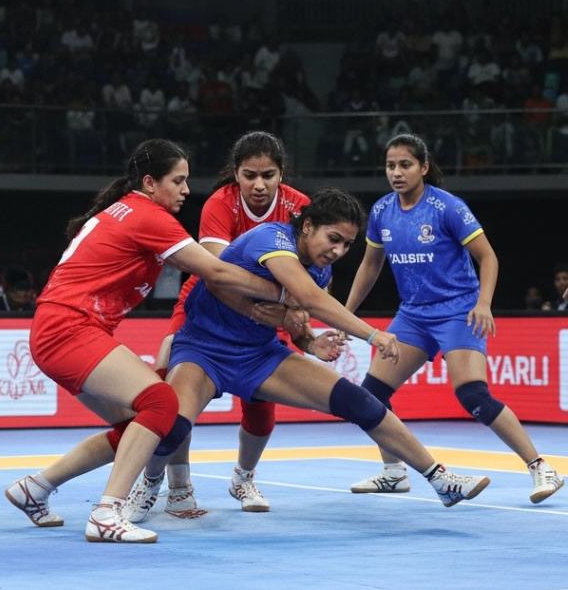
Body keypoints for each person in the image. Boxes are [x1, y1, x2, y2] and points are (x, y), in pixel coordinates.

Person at [128, 188, 491, 525]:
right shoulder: (271, 238)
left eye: (347, 245)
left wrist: (310, 342)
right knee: (172, 428)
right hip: (203, 349)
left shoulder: (321, 269)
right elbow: (311, 299)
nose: (338, 251)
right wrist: (373, 334)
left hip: (258, 355)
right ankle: (151, 481)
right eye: (333, 239)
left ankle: (440, 479)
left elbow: (298, 319)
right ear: (308, 226)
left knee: (359, 401)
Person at [4, 139, 292, 544]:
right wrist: (283, 293)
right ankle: (107, 512)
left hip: (60, 329)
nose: (186, 190)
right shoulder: (148, 217)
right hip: (69, 329)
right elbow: (216, 272)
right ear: (150, 183)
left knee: (141, 426)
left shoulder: (126, 210)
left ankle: (36, 488)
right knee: (162, 402)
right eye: (178, 181)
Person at [344, 133, 562, 504]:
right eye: (390, 166)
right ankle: (394, 472)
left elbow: (488, 257)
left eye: (405, 165)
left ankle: (541, 467)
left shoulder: (447, 207)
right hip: (413, 315)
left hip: (457, 311)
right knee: (371, 393)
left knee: (472, 393)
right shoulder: (382, 211)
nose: (396, 173)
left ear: (424, 167)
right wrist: (345, 314)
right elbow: (370, 265)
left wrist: (483, 303)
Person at [144, 131, 311, 517]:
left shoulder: (300, 206)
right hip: (204, 304)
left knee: (260, 401)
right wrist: (284, 297)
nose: (259, 184)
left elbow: (314, 267)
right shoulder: (220, 203)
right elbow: (219, 274)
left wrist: (295, 312)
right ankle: (178, 487)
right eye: (249, 174)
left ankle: (244, 477)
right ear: (235, 174)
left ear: (281, 174)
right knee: (172, 391)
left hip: (265, 310)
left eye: (268, 174)